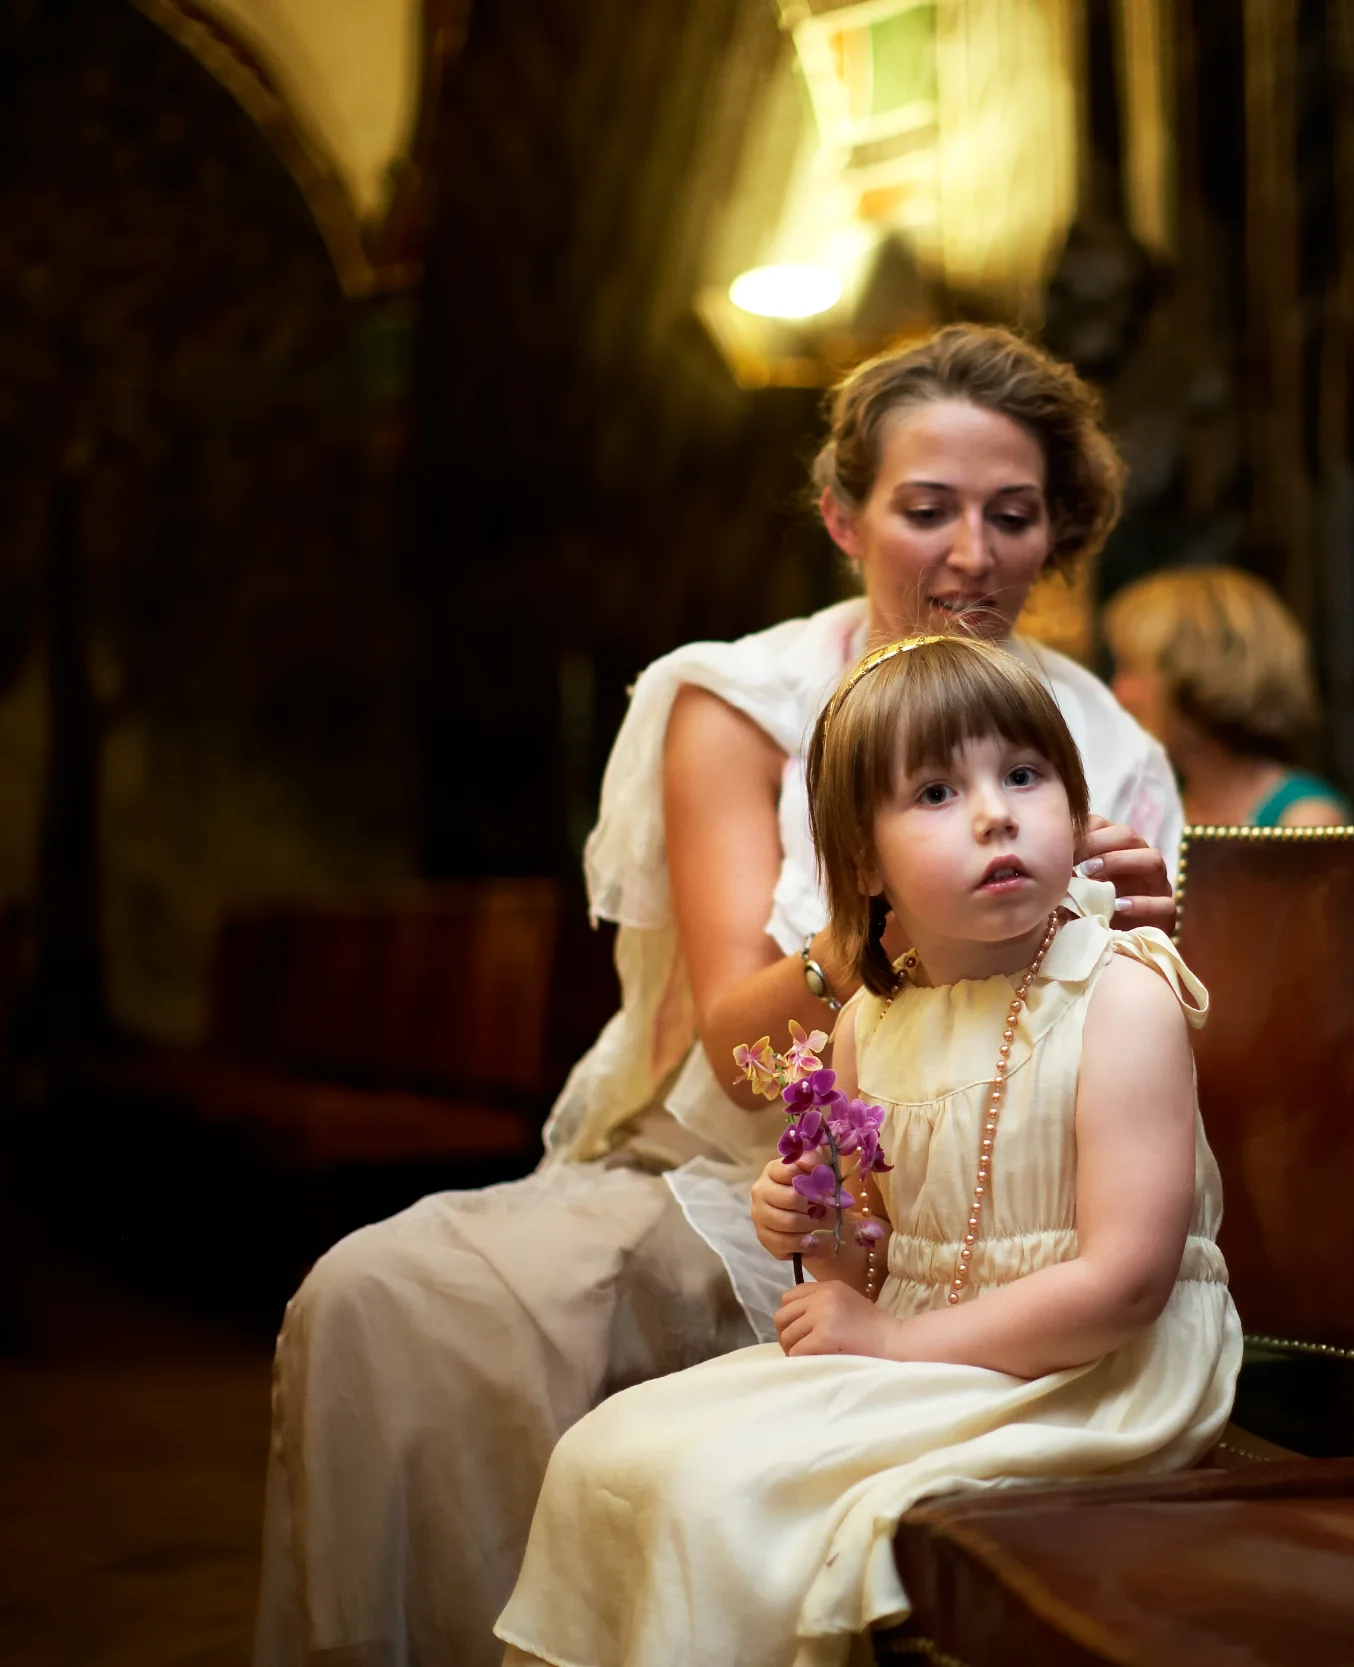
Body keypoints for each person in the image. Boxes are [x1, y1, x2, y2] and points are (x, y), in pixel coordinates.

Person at [254, 326, 1184, 1667]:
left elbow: (1142, 1061)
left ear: (1059, 535)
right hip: (730, 1164)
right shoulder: (740, 703)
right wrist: (878, 929)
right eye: (927, 508)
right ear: (842, 514)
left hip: (1000, 1207)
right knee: (377, 1297)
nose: (972, 552)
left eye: (1013, 513)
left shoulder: (1107, 746)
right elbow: (739, 1054)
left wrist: (1141, 936)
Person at [495, 634, 1239, 1667]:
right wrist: (813, 1221)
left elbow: (1125, 1282)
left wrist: (886, 1342)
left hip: (1097, 1373)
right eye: (935, 792)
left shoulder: (1119, 994)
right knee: (606, 1453)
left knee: (728, 1495)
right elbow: (868, 1262)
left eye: (1025, 775)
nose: (994, 812)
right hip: (938, 1355)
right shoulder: (867, 1026)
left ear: (1073, 802)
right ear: (860, 861)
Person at [1102, 565, 1352, 826]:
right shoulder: (1155, 810)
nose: (1118, 691)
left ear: (1196, 673)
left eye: (1130, 668)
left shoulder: (1303, 819)